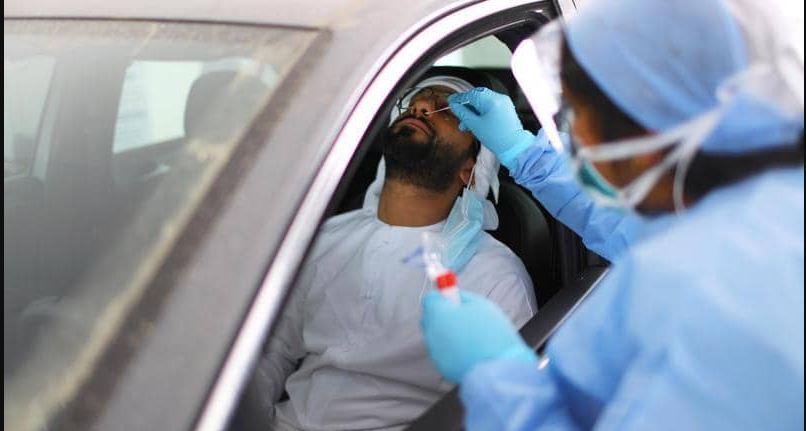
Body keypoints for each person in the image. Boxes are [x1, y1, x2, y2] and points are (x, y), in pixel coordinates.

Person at [420, 0, 804, 429]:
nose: (571, 133)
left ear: (647, 130)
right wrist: (523, 153)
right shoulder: (755, 214)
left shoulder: (716, 298)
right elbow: (626, 225)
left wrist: (494, 377)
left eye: (574, 113)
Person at [245, 77, 536, 431]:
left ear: (470, 171)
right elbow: (274, 351)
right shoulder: (324, 239)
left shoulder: (495, 275)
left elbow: (506, 408)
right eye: (414, 102)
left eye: (445, 109)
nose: (421, 106)